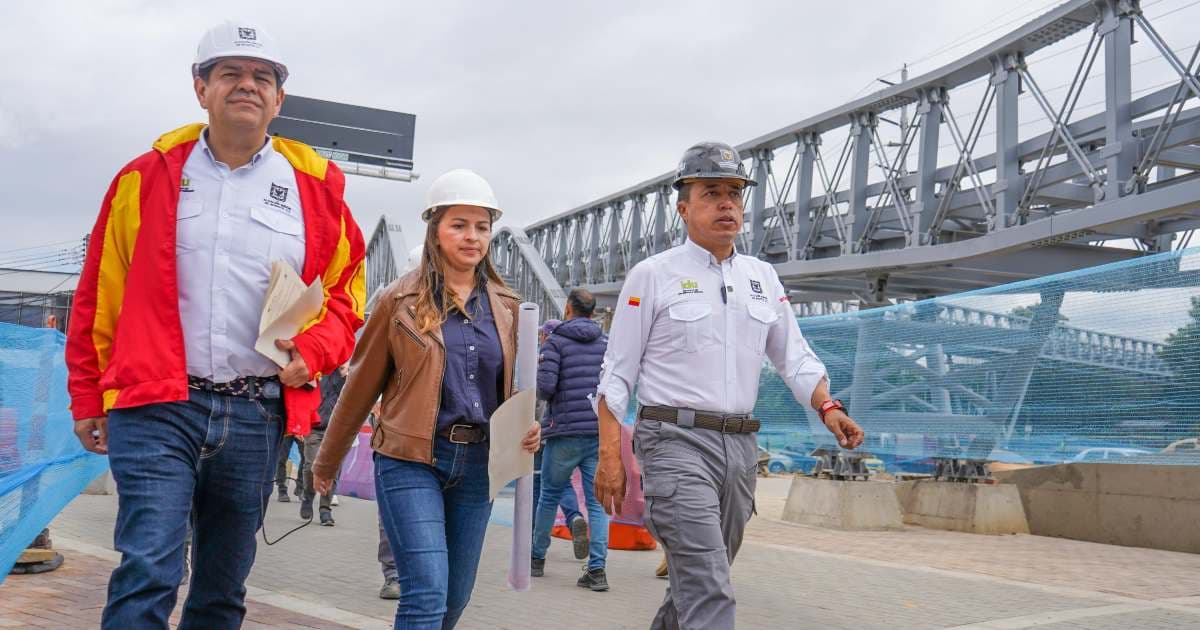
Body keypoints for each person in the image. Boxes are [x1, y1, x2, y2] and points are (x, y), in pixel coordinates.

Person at [66, 20, 366, 629]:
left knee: (223, 589)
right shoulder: (142, 179)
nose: (247, 86)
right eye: (229, 73)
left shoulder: (318, 190)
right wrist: (86, 394)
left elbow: (346, 297)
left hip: (257, 413)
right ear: (200, 88)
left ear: (280, 98)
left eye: (263, 77)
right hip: (157, 405)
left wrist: (314, 348)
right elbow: (99, 294)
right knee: (148, 568)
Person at [593, 142, 865, 629]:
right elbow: (617, 372)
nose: (726, 203)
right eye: (711, 192)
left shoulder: (761, 277)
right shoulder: (652, 275)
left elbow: (793, 355)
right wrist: (611, 455)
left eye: (735, 193)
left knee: (695, 588)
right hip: (674, 443)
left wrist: (829, 407)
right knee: (711, 591)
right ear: (683, 208)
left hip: (740, 451)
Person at [312, 169, 540, 629]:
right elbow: (360, 385)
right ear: (434, 229)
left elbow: (509, 390)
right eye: (459, 224)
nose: (472, 237)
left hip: (478, 466)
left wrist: (525, 428)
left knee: (454, 599)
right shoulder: (399, 301)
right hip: (410, 459)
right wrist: (326, 462)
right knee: (426, 593)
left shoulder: (508, 306)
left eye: (482, 226)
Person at [531, 288, 610, 591]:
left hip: (564, 431)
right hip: (598, 432)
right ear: (594, 312)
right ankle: (597, 569)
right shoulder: (606, 343)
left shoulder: (556, 342)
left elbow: (546, 387)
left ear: (567, 309)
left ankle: (537, 558)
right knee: (598, 502)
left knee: (549, 495)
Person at [532, 318, 587, 558]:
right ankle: (574, 516)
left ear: (545, 336)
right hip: (573, 429)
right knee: (563, 484)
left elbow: (538, 393)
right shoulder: (577, 357)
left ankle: (535, 546)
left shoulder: (543, 359)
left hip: (543, 430)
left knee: (541, 487)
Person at [302, 364, 349, 525]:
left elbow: (354, 399)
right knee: (310, 466)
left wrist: (346, 375)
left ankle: (325, 510)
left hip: (337, 431)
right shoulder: (316, 368)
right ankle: (307, 497)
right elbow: (304, 394)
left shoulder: (346, 373)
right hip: (314, 428)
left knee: (333, 471)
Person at [276, 434, 304, 502]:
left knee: (307, 457)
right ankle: (282, 490)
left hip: (301, 428)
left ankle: (300, 487)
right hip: (287, 430)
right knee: (281, 459)